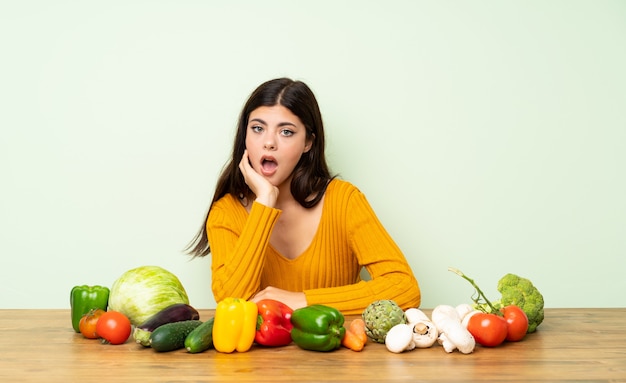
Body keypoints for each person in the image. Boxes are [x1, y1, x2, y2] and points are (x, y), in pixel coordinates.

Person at [187, 78, 420, 315]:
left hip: (339, 348)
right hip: (264, 352)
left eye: (286, 132)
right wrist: (265, 201)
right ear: (244, 135)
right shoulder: (225, 213)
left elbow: (405, 288)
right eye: (257, 128)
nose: (268, 142)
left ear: (308, 142)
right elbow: (230, 302)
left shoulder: (344, 200)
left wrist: (303, 300)